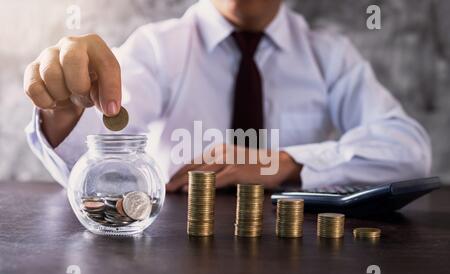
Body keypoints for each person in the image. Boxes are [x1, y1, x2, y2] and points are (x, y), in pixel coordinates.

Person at [24, 0, 431, 191]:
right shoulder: (157, 48)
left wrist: (284, 163)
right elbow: (105, 160)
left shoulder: (330, 55)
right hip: (174, 255)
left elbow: (408, 150)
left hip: (297, 258)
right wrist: (68, 113)